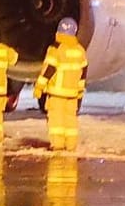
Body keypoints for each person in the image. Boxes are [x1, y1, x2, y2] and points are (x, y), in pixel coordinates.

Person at [34, 17, 88, 152]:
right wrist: (80, 93)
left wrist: (39, 87)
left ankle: (57, 145)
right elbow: (82, 74)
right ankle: (71, 145)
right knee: (70, 121)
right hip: (72, 93)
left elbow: (49, 70)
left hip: (57, 93)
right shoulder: (80, 50)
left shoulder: (56, 49)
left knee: (56, 120)